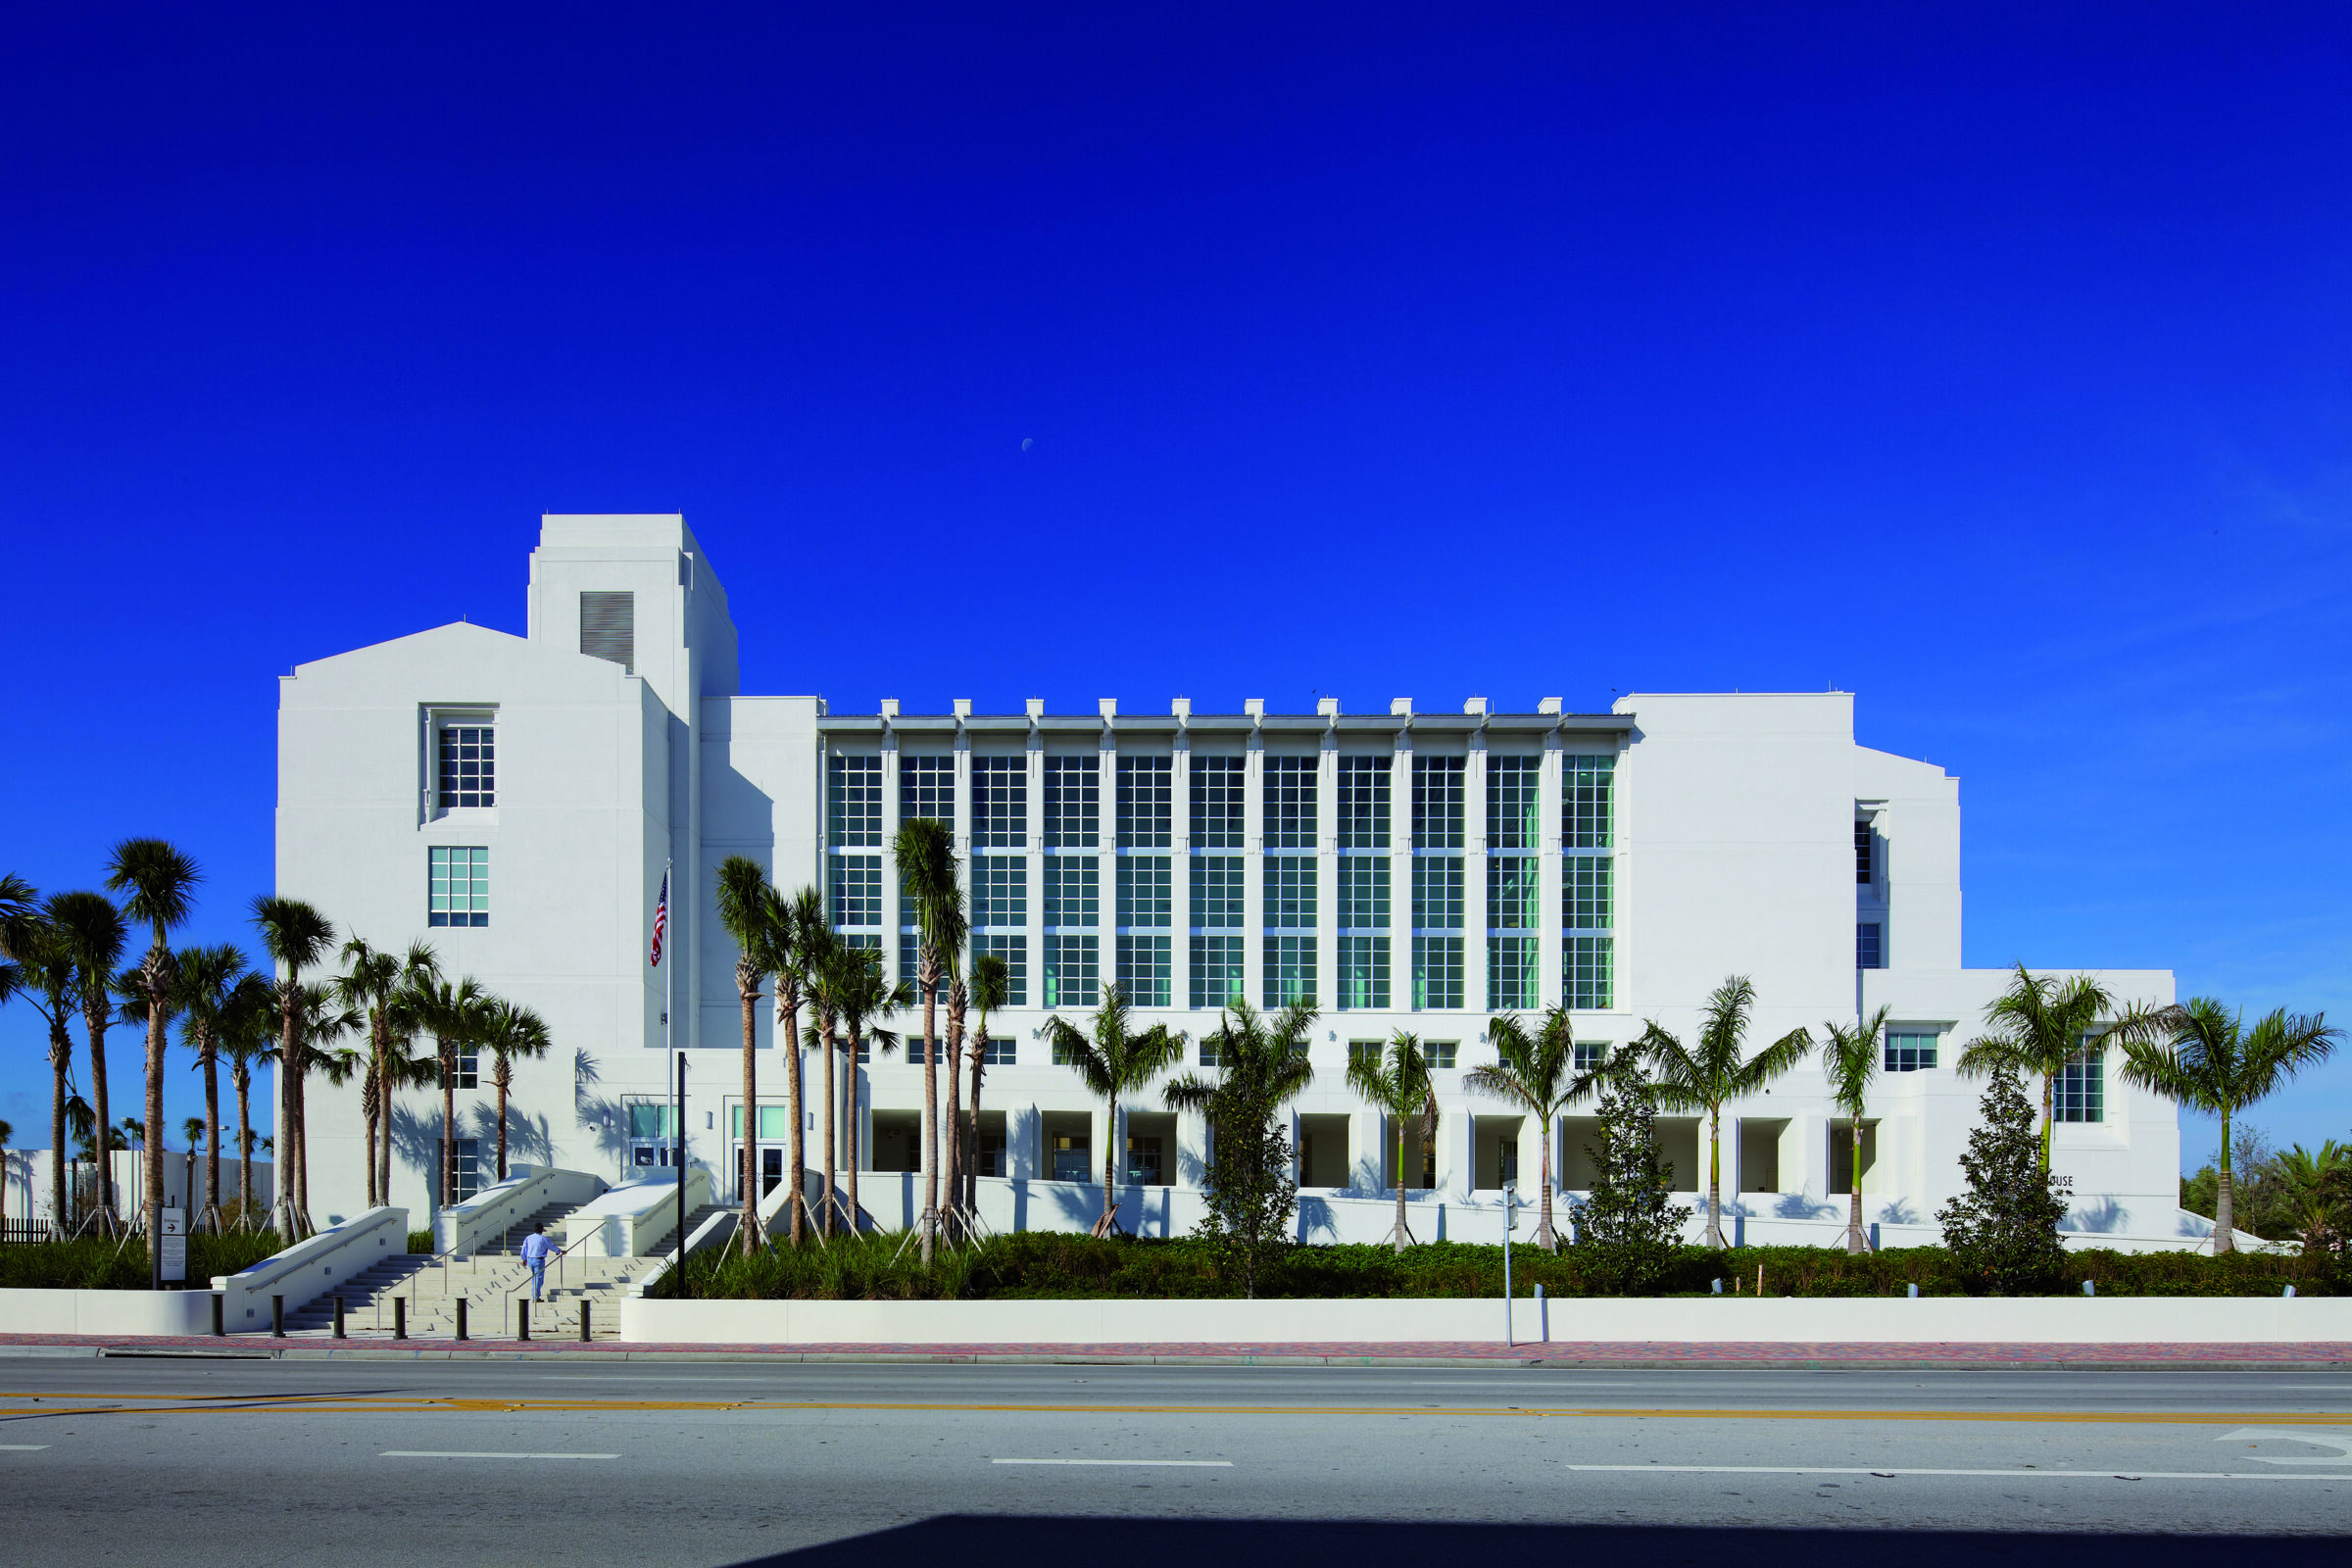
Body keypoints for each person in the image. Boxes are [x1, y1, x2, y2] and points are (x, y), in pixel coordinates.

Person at [520, 1221, 557, 1302]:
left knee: (534, 1278)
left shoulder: (528, 1238)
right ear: (541, 1230)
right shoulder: (543, 1239)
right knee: (539, 1279)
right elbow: (551, 1246)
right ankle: (535, 1297)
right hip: (538, 1260)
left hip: (530, 1259)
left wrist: (523, 1258)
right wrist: (559, 1251)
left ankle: (535, 1295)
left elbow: (524, 1248)